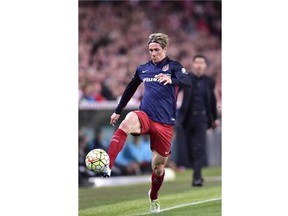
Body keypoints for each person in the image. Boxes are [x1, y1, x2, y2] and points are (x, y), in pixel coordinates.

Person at [101, 33, 191, 213]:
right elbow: (130, 89)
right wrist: (118, 110)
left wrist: (171, 80)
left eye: (156, 50)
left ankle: (154, 196)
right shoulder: (143, 69)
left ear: (165, 49)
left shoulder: (174, 66)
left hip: (165, 123)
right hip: (145, 115)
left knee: (158, 169)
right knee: (127, 123)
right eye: (150, 50)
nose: (153, 53)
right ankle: (108, 164)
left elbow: (188, 81)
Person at [177, 54, 218, 187]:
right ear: (193, 65)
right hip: (188, 118)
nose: (199, 65)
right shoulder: (186, 78)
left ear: (205, 66)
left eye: (201, 63)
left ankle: (197, 177)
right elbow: (175, 90)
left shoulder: (209, 81)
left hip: (202, 118)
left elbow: (212, 100)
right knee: (189, 150)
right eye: (197, 63)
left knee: (199, 147)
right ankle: (196, 171)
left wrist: (214, 118)